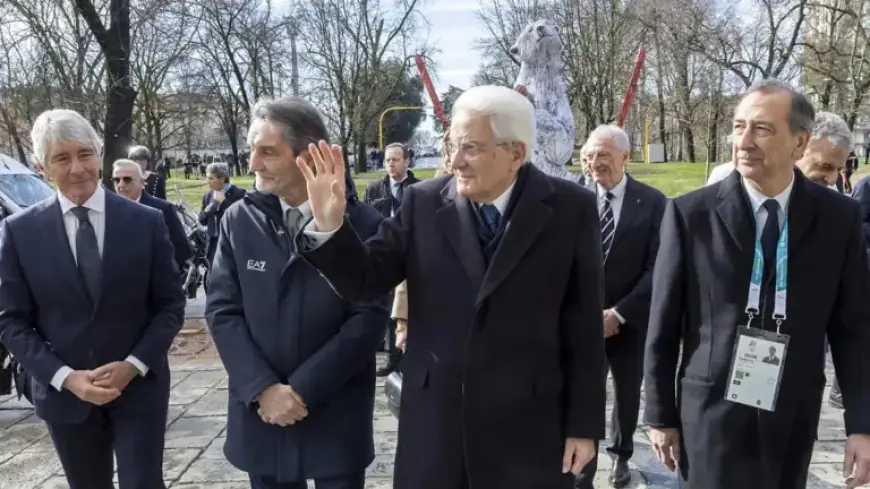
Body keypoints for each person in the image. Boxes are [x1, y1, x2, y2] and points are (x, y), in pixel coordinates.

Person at [296, 85, 605, 489]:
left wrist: (583, 426)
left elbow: (584, 326)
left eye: (471, 148)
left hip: (529, 426)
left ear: (515, 153)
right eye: (452, 145)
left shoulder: (571, 208)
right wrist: (330, 226)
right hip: (436, 424)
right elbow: (365, 281)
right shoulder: (422, 202)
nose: (455, 161)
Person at [644, 79, 870, 489]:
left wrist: (862, 425)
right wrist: (659, 415)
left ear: (799, 143)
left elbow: (853, 329)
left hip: (793, 413)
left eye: (762, 129)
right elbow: (662, 324)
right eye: (738, 126)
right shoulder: (690, 215)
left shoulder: (839, 218)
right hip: (709, 413)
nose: (744, 141)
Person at [205, 97, 388, 489]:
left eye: (268, 152)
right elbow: (222, 311)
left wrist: (303, 389)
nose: (253, 164)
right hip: (262, 414)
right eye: (252, 150)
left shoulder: (365, 224)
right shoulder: (238, 220)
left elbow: (369, 318)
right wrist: (263, 388)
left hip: (335, 415)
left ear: (308, 157)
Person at [0, 109, 185, 489]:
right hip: (65, 394)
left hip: (138, 389)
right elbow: (11, 321)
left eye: (85, 154)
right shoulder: (19, 232)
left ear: (99, 154)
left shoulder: (145, 222)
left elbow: (169, 306)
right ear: (41, 167)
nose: (77, 168)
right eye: (61, 158)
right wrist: (66, 378)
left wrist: (133, 364)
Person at [577, 125, 666, 489]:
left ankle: (621, 455)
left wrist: (620, 313)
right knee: (584, 392)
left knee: (628, 393)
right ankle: (583, 464)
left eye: (603, 155)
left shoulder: (654, 202)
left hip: (631, 320)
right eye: (589, 156)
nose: (594, 163)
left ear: (625, 157)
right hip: (582, 321)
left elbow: (659, 266)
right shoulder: (572, 199)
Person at [794, 110, 853, 409]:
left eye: (838, 170)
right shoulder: (730, 185)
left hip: (802, 372)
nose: (831, 179)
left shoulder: (839, 213)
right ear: (799, 146)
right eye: (825, 166)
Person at [392, 131, 454, 352]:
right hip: (433, 320)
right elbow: (410, 265)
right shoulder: (427, 200)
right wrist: (403, 323)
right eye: (450, 152)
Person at [362, 142, 420, 376]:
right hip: (384, 252)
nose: (391, 164)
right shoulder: (375, 189)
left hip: (412, 253)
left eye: (396, 160)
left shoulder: (419, 189)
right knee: (385, 303)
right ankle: (389, 355)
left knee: (406, 305)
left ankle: (406, 354)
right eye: (387, 160)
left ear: (406, 161)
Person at [113, 159, 192, 272]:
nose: (121, 185)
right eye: (116, 180)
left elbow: (182, 249)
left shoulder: (163, 209)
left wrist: (158, 272)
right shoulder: (109, 210)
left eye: (127, 180)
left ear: (142, 182)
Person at [199, 162, 246, 268]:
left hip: (231, 245)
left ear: (222, 179)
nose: (207, 182)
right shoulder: (208, 195)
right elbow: (202, 220)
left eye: (211, 178)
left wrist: (224, 203)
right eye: (207, 178)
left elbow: (241, 218)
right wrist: (207, 211)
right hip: (212, 245)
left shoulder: (239, 194)